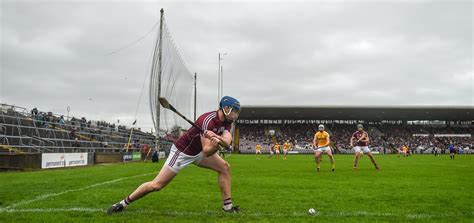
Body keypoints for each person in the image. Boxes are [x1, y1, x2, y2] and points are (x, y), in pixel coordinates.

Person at [107, 96, 241, 214]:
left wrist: (217, 139)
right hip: (182, 152)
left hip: (198, 152)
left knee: (224, 167)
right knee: (157, 185)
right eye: (234, 111)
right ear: (226, 109)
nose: (235, 115)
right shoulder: (207, 120)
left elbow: (227, 141)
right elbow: (207, 150)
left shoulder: (227, 122)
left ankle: (227, 207)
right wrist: (216, 143)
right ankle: (122, 203)